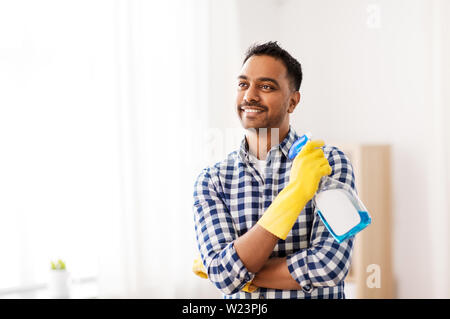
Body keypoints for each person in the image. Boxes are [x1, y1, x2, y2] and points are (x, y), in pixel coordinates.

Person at [192, 41, 356, 299]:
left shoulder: (328, 164)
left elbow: (330, 266)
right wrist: (296, 193)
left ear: (293, 101)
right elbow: (223, 276)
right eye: (243, 84)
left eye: (266, 86)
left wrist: (240, 271)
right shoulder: (213, 180)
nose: (250, 96)